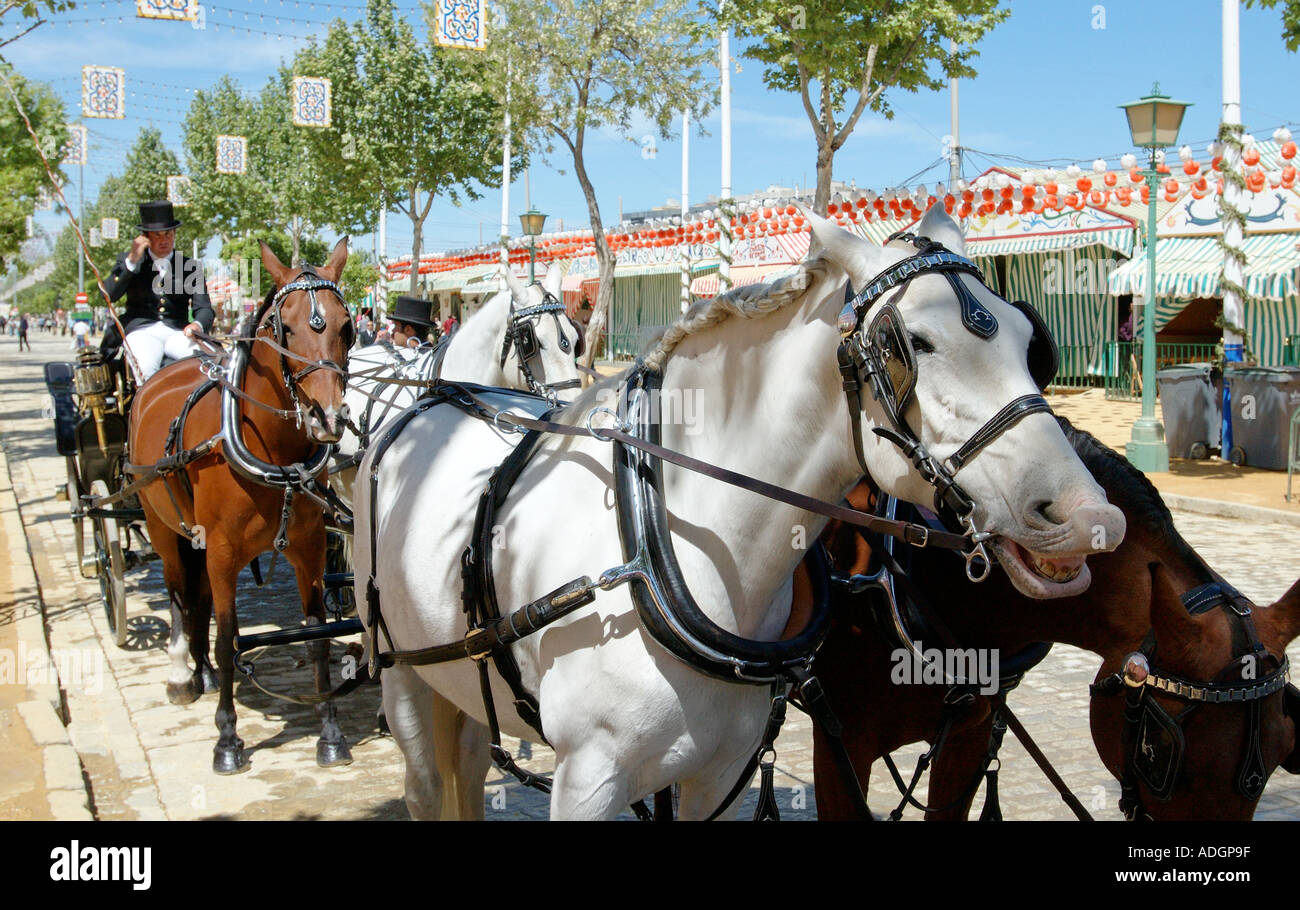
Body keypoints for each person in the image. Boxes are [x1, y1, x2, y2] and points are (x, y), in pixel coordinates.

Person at [102, 201, 213, 383]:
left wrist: (198, 325)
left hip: (177, 331)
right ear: (145, 238)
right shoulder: (130, 262)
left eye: (168, 234)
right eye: (157, 235)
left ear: (174, 234)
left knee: (209, 363)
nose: (164, 240)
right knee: (146, 368)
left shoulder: (190, 267)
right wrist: (131, 261)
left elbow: (205, 308)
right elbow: (108, 295)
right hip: (141, 331)